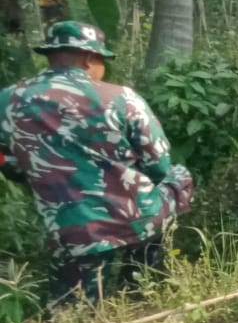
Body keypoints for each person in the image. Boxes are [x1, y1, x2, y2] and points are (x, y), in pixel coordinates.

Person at [0, 21, 193, 308]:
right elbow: (159, 165)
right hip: (135, 218)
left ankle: (77, 308)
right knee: (179, 177)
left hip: (68, 227)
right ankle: (142, 280)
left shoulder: (8, 100)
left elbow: (9, 165)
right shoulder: (122, 98)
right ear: (90, 58)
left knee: (72, 314)